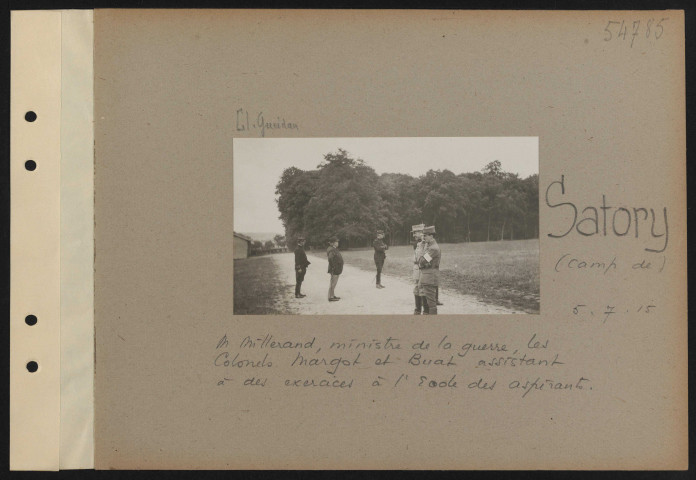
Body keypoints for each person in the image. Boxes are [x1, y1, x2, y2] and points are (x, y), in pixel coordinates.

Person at [417, 226, 441, 315]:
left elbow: (422, 261)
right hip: (427, 275)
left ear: (431, 236)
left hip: (430, 276)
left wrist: (421, 252)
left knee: (431, 303)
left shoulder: (433, 248)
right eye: (423, 235)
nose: (424, 237)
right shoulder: (429, 247)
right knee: (427, 301)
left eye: (426, 235)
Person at [410, 224, 427, 314]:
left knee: (422, 288)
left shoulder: (426, 244)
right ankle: (417, 309)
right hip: (417, 268)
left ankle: (425, 311)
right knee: (416, 288)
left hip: (422, 268)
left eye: (415, 233)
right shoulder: (418, 244)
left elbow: (429, 256)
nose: (414, 235)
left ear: (421, 233)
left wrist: (423, 263)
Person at [326, 237, 343, 302]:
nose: (337, 243)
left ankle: (332, 295)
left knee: (334, 283)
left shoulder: (333, 249)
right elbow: (330, 259)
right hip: (334, 269)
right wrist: (334, 267)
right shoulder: (331, 249)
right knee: (333, 283)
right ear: (333, 243)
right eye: (336, 242)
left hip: (336, 268)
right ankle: (330, 297)